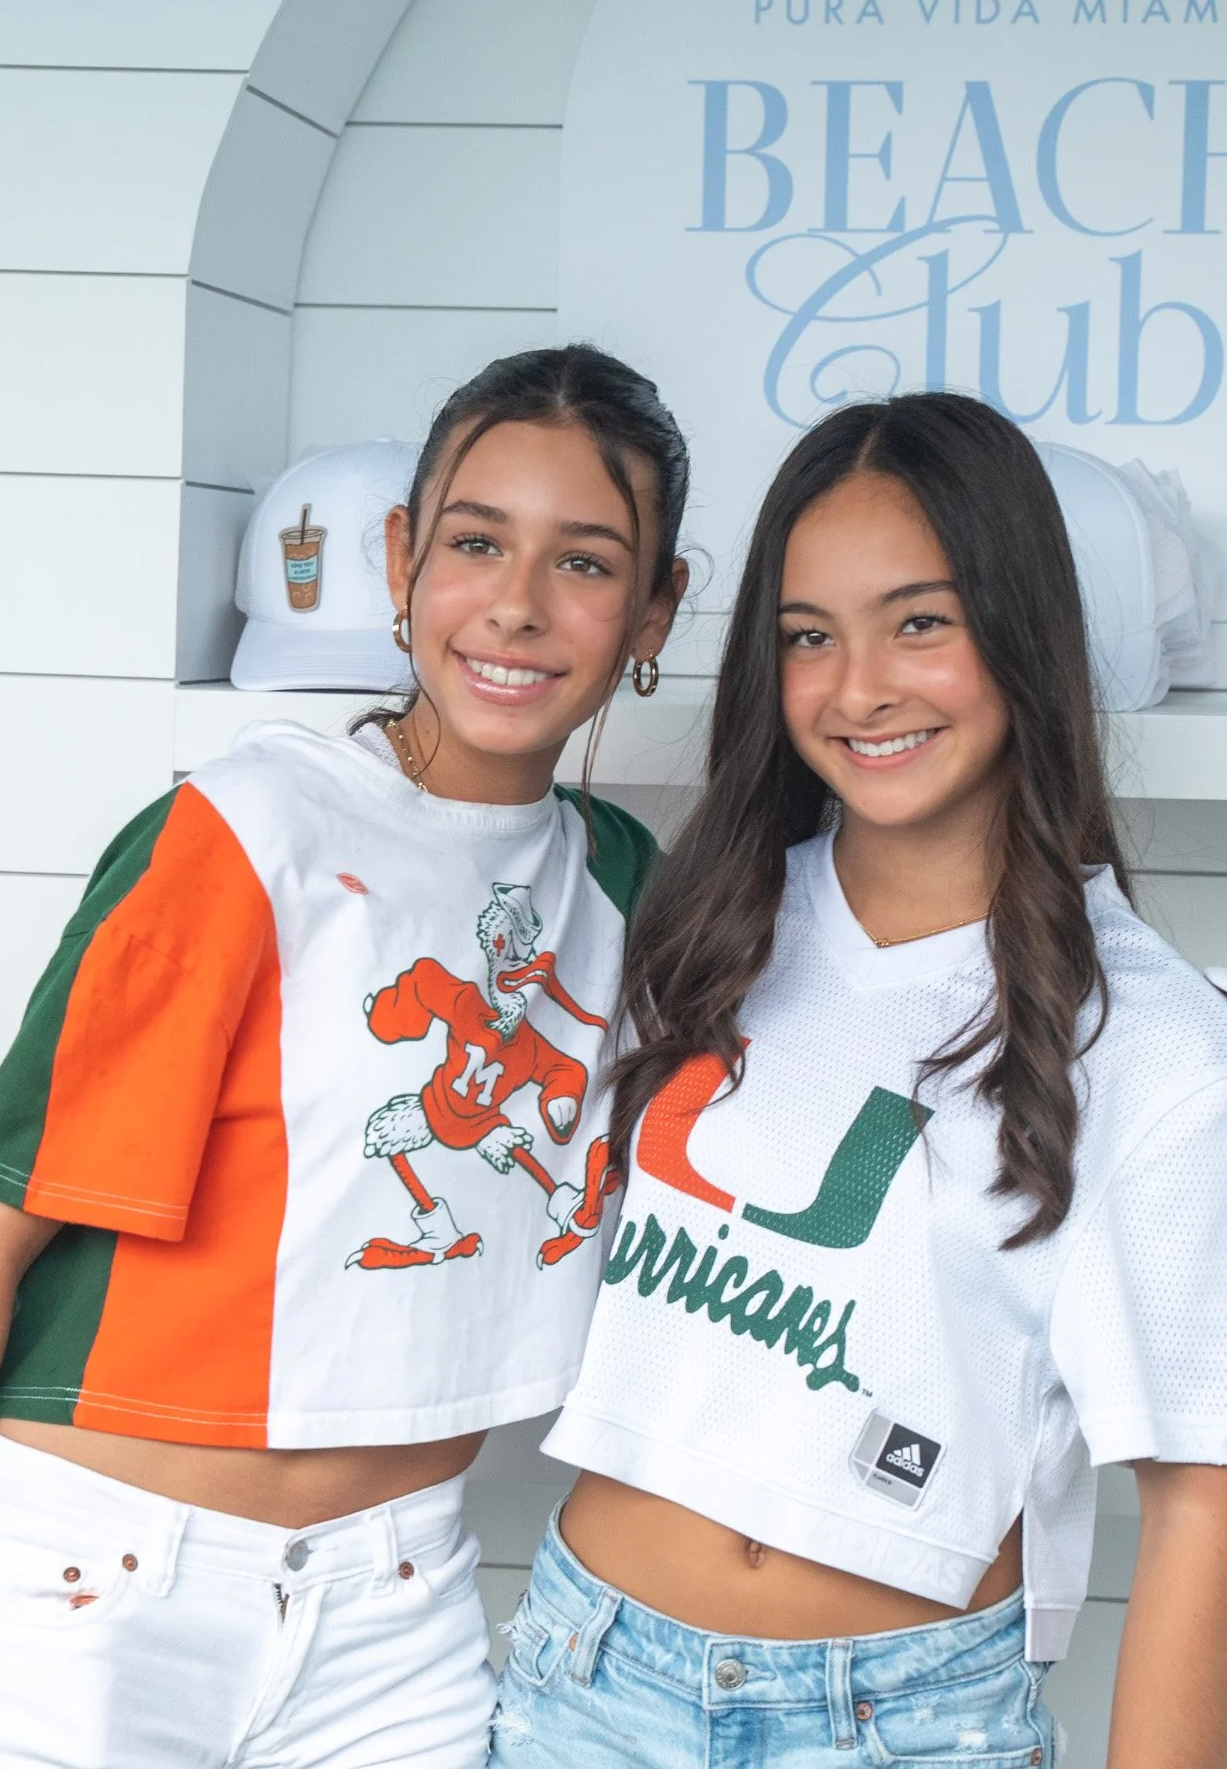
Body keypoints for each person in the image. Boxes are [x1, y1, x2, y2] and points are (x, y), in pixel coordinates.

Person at [0, 343, 689, 1769]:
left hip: (399, 1610)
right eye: (476, 542)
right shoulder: (244, 832)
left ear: (653, 606)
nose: (518, 606)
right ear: (403, 559)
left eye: (587, 563)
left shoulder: (627, 887)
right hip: (87, 1588)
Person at [488, 392, 1227, 1769]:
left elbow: (1203, 1502)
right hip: (580, 1681)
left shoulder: (1150, 1039)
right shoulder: (699, 924)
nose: (857, 687)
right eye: (806, 636)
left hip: (895, 1723)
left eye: (920, 623)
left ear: (1023, 629)